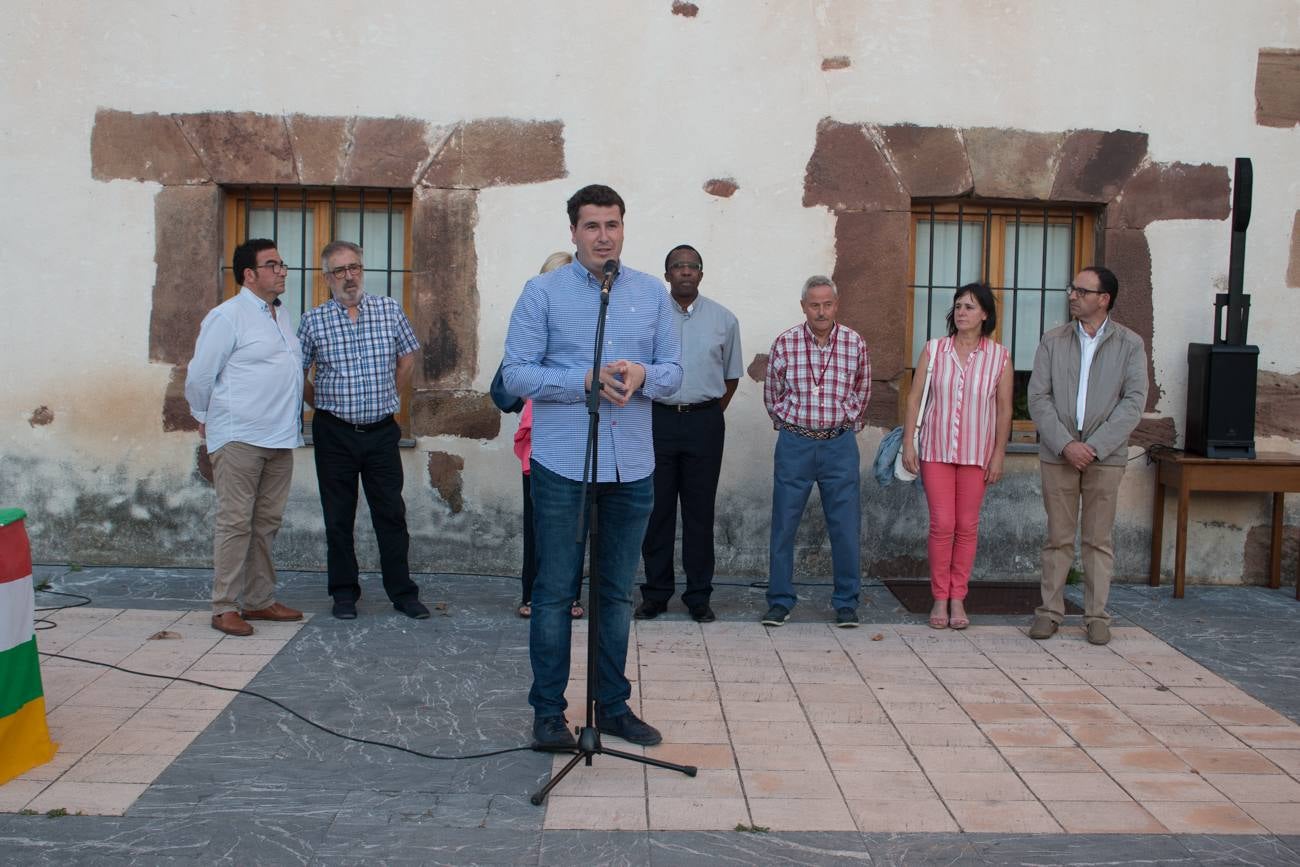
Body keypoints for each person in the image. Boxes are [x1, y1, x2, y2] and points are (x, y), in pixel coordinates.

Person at [502, 184, 682, 750]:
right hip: (563, 466)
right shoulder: (543, 292)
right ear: (573, 232)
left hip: (632, 467)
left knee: (614, 592)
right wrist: (582, 380)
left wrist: (642, 375)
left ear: (624, 227)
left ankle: (612, 705)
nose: (603, 236)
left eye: (612, 225)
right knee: (555, 592)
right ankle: (549, 715)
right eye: (591, 226)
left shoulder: (652, 295)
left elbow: (676, 373)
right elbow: (516, 375)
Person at [297, 241, 430, 621]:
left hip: (380, 432)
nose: (349, 276)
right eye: (339, 270)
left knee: (391, 513)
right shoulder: (313, 320)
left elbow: (408, 354)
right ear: (327, 278)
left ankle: (403, 593)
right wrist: (318, 401)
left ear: (362, 268)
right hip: (333, 433)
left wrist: (390, 391)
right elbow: (297, 372)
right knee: (338, 516)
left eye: (354, 267)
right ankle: (343, 594)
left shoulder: (388, 309)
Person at [186, 238, 305, 636]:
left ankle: (258, 601)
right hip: (239, 436)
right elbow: (200, 375)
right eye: (272, 265)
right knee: (235, 522)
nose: (282, 271)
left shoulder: (281, 315)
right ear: (249, 274)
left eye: (282, 263)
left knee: (266, 522)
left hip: (280, 436)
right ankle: (224, 607)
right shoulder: (227, 316)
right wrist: (203, 417)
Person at [1028, 266, 1148, 646]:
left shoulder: (1130, 344)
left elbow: (1133, 402)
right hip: (1058, 453)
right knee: (1057, 538)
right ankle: (1049, 613)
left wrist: (1094, 446)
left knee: (1098, 539)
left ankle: (1097, 617)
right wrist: (1066, 444)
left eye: (1082, 290)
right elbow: (1038, 397)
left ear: (1104, 299)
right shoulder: (1053, 340)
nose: (1073, 295)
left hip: (1105, 457)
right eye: (1072, 289)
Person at [636, 244, 742, 624]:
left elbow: (730, 377)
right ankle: (656, 593)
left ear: (701, 273)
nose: (685, 271)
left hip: (704, 423)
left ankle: (699, 595)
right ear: (667, 275)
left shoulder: (724, 320)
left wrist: (704, 410)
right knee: (657, 511)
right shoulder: (649, 317)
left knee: (700, 513)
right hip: (657, 420)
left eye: (691, 266)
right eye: (677, 266)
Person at [762, 275, 871, 628]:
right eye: (814, 305)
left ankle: (846, 603)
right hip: (795, 444)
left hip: (839, 445)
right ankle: (779, 600)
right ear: (804, 307)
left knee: (845, 526)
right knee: (783, 524)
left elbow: (862, 388)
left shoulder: (855, 343)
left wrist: (847, 418)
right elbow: (772, 392)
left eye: (827, 304)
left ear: (836, 304)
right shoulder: (786, 342)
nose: (821, 311)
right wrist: (788, 422)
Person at [901, 283, 1012, 630]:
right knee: (942, 524)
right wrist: (908, 443)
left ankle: (958, 597)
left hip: (977, 454)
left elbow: (1005, 410)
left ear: (985, 315)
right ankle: (939, 597)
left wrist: (998, 455)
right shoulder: (934, 350)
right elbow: (914, 398)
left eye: (970, 306)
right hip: (935, 450)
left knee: (967, 526)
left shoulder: (1000, 356)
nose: (962, 312)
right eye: (959, 306)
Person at [515, 251, 585, 621]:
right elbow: (510, 383)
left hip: (580, 438)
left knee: (576, 526)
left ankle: (571, 596)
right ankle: (531, 593)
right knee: (537, 523)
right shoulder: (532, 328)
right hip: (540, 437)